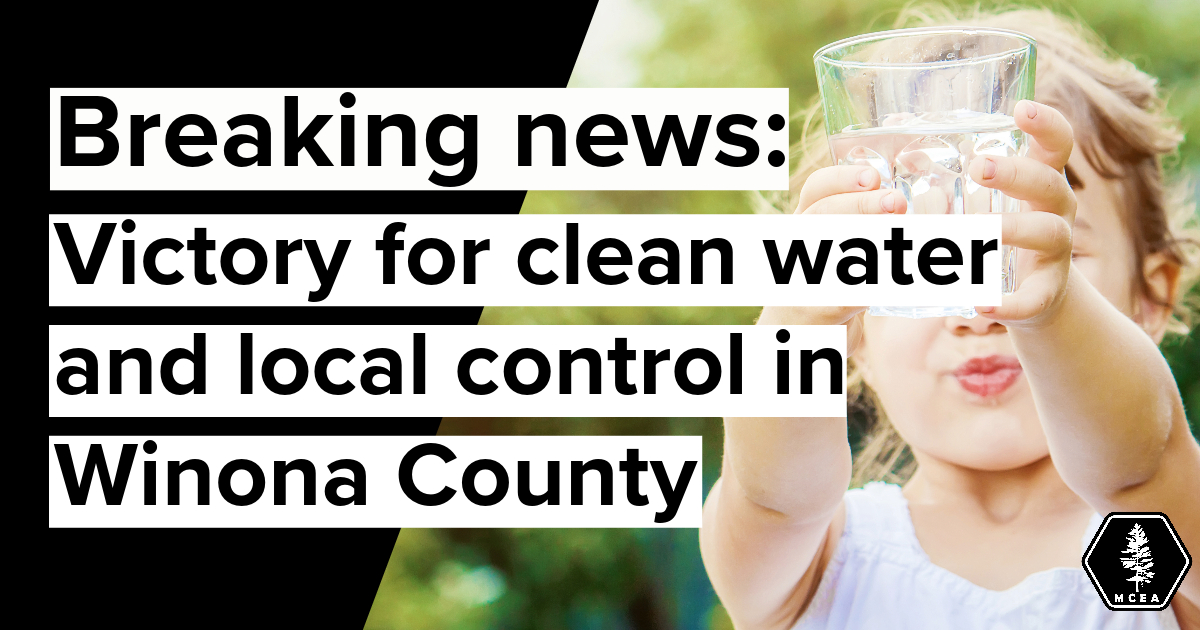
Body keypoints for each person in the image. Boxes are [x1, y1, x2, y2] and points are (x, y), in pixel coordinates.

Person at [700, 6, 1200, 629]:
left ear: (1150, 298)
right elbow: (771, 499)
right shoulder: (824, 558)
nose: (976, 312)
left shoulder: (1145, 551)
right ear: (853, 335)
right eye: (916, 260)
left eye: (1027, 248)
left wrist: (1052, 310)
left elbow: (1139, 471)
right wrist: (794, 327)